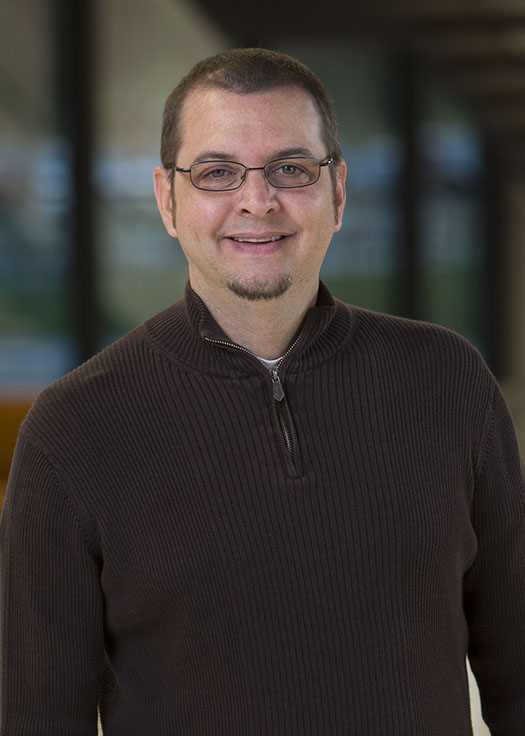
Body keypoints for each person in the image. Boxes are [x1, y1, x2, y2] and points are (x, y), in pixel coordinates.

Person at [1, 47, 524, 736]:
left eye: (290, 169)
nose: (257, 200)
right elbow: (35, 717)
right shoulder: (75, 428)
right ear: (167, 199)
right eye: (217, 172)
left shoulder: (447, 381)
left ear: (338, 192)